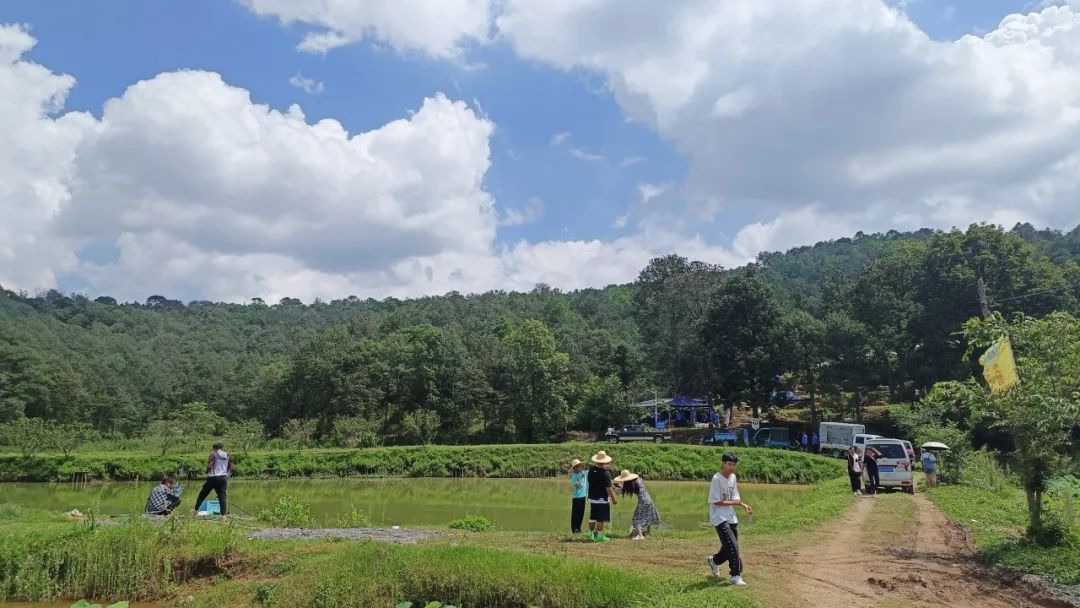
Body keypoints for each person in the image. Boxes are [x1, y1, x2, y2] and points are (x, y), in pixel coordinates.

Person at [706, 453, 752, 587]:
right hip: (719, 516)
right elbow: (716, 501)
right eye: (729, 464)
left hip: (731, 516)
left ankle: (714, 561)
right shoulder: (716, 479)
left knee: (729, 546)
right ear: (723, 464)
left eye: (734, 465)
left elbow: (735, 498)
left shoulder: (733, 478)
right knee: (733, 545)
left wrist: (743, 505)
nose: (732, 467)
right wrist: (736, 503)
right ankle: (735, 575)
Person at [613, 470, 661, 540]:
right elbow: (626, 487)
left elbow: (620, 491)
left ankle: (640, 536)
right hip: (649, 500)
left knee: (635, 519)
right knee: (648, 517)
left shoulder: (632, 484)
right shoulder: (638, 479)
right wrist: (621, 485)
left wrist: (614, 487)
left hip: (643, 501)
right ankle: (647, 533)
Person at [192, 441, 233, 521]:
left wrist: (207, 470)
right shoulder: (228, 455)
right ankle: (223, 517)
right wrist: (225, 473)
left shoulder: (213, 455)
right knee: (222, 497)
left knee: (202, 494)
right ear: (222, 448)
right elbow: (230, 466)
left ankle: (195, 511)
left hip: (213, 478)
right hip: (223, 478)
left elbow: (210, 465)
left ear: (214, 448)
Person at [587, 451, 617, 542]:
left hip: (592, 498)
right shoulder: (605, 473)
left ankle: (590, 534)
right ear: (605, 462)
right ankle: (599, 536)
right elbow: (608, 488)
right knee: (600, 518)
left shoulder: (591, 470)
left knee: (592, 517)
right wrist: (613, 498)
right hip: (602, 499)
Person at [569, 458, 588, 535]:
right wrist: (581, 477)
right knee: (575, 515)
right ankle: (574, 530)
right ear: (575, 467)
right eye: (579, 466)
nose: (581, 467)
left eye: (581, 465)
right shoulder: (574, 476)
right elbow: (577, 486)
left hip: (583, 496)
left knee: (581, 514)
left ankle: (579, 529)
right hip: (577, 497)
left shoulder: (584, 473)